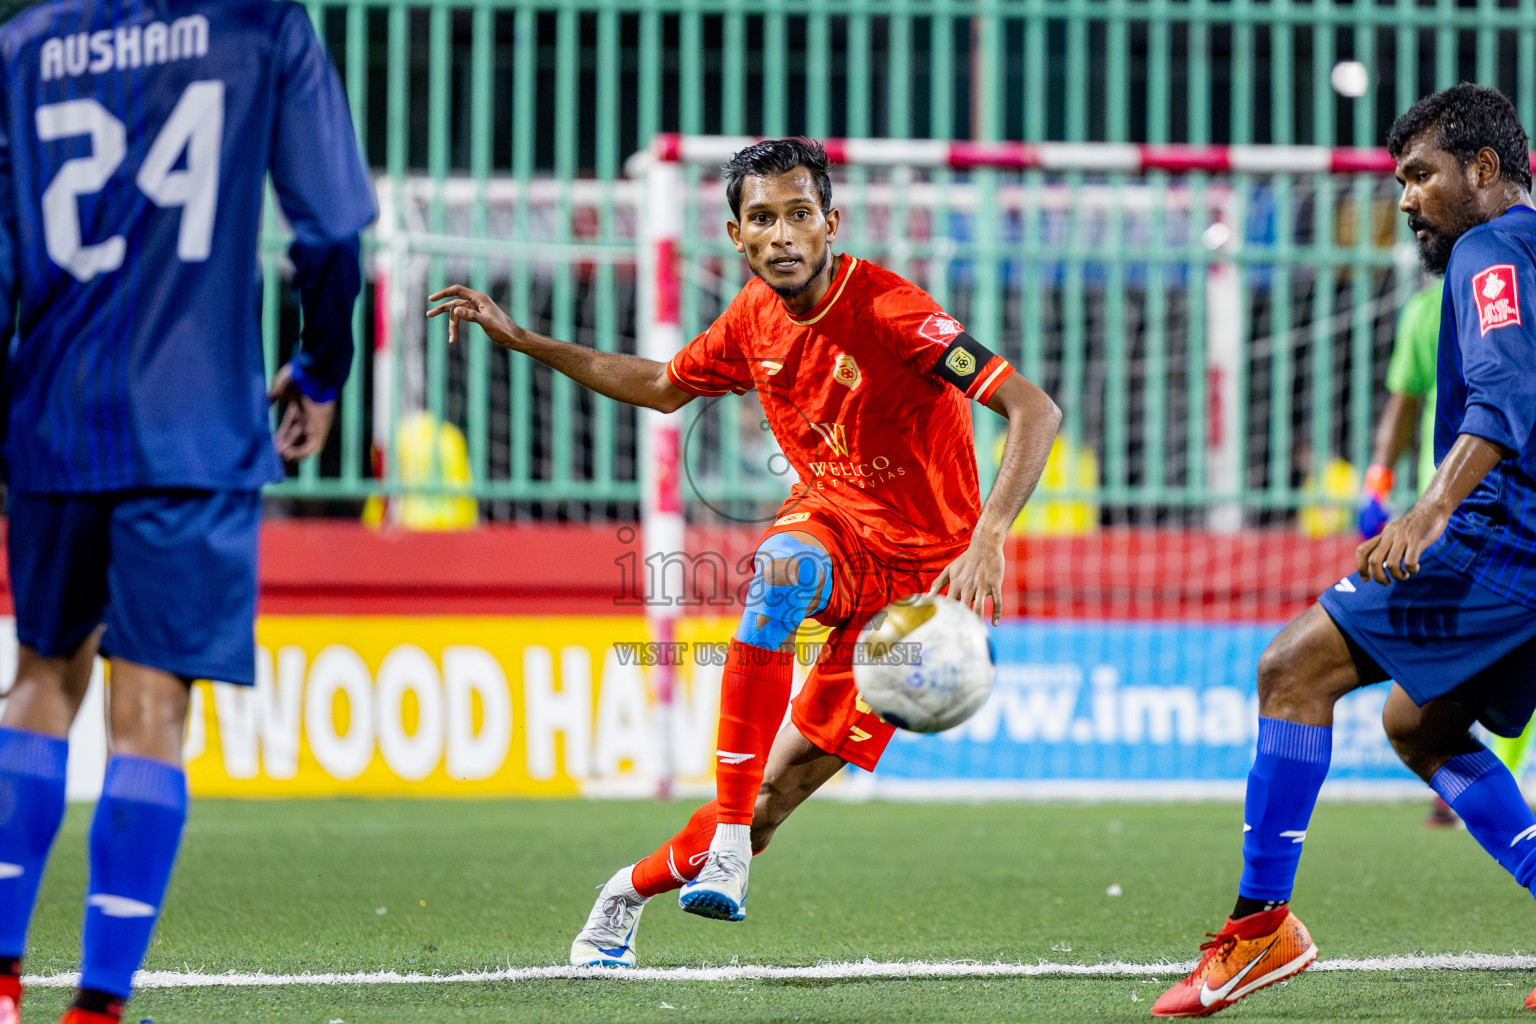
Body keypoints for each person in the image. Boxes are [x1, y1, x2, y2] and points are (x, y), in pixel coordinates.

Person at [427, 138, 1062, 966]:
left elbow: (1034, 409)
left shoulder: (894, 312)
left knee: (774, 801)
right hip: (833, 527)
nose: (783, 235)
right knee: (780, 577)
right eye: (762, 219)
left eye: (800, 215)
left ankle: (626, 891)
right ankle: (725, 843)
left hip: (918, 587)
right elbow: (662, 386)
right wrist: (524, 341)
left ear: (831, 222)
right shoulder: (751, 319)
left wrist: (990, 536)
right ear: (737, 235)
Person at [0, 3, 374, 1022]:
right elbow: (331, 230)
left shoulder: (26, 44)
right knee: (151, 710)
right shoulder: (260, 24)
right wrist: (320, 366)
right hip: (192, 423)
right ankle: (96, 1007)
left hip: (55, 417)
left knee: (39, 682)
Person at [1153, 83, 1536, 1018]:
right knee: (1419, 725)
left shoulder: (1488, 252)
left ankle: (1261, 928)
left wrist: (1430, 510)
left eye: (1420, 176)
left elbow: (1506, 396)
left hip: (1501, 544)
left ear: (1484, 169)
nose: (1405, 199)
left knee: (1292, 670)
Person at [1362, 284, 1536, 828]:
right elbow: (1406, 399)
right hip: (1455, 514)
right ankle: (1480, 776)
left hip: (1466, 510)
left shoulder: (1435, 304)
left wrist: (1377, 486)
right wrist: (1379, 485)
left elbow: (1404, 404)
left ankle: (1482, 780)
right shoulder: (1434, 308)